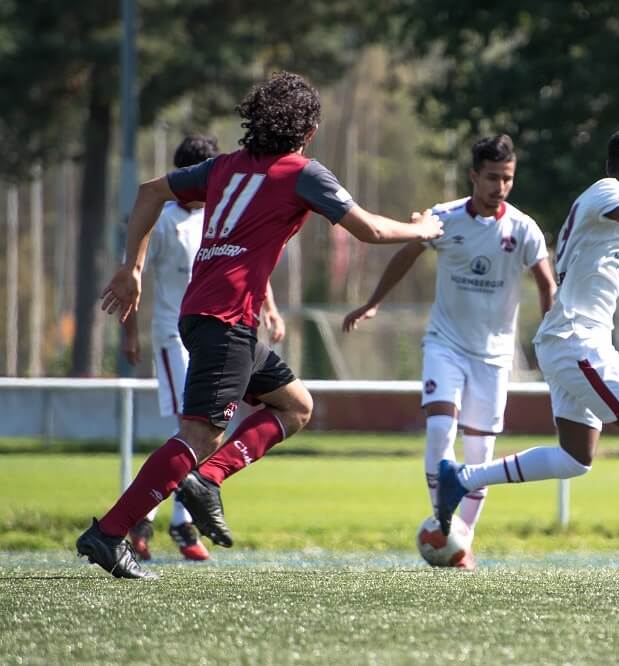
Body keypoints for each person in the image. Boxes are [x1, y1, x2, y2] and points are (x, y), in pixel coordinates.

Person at [76, 71, 443, 579]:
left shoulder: (224, 166)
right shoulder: (303, 172)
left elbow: (149, 191)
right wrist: (423, 229)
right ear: (308, 130)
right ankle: (111, 532)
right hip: (223, 321)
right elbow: (371, 229)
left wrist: (132, 268)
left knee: (296, 406)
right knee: (198, 434)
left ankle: (207, 479)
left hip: (217, 318)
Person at [436, 127, 619, 573]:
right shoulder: (609, 192)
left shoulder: (597, 194)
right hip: (579, 339)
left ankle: (462, 478)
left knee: (576, 458)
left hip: (564, 341)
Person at [342, 135, 556, 569]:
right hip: (446, 345)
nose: (500, 186)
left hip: (494, 357)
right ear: (474, 176)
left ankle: (462, 540)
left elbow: (547, 284)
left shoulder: (523, 228)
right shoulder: (444, 218)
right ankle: (442, 518)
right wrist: (374, 301)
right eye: (493, 177)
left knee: (479, 457)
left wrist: (549, 341)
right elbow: (406, 253)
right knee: (440, 429)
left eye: (508, 178)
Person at [122, 135, 287, 562]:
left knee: (199, 432)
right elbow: (135, 268)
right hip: (172, 332)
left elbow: (246, 263)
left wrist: (269, 309)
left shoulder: (221, 216)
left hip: (219, 330)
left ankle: (177, 522)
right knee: (193, 429)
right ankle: (145, 521)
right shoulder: (165, 221)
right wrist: (129, 331)